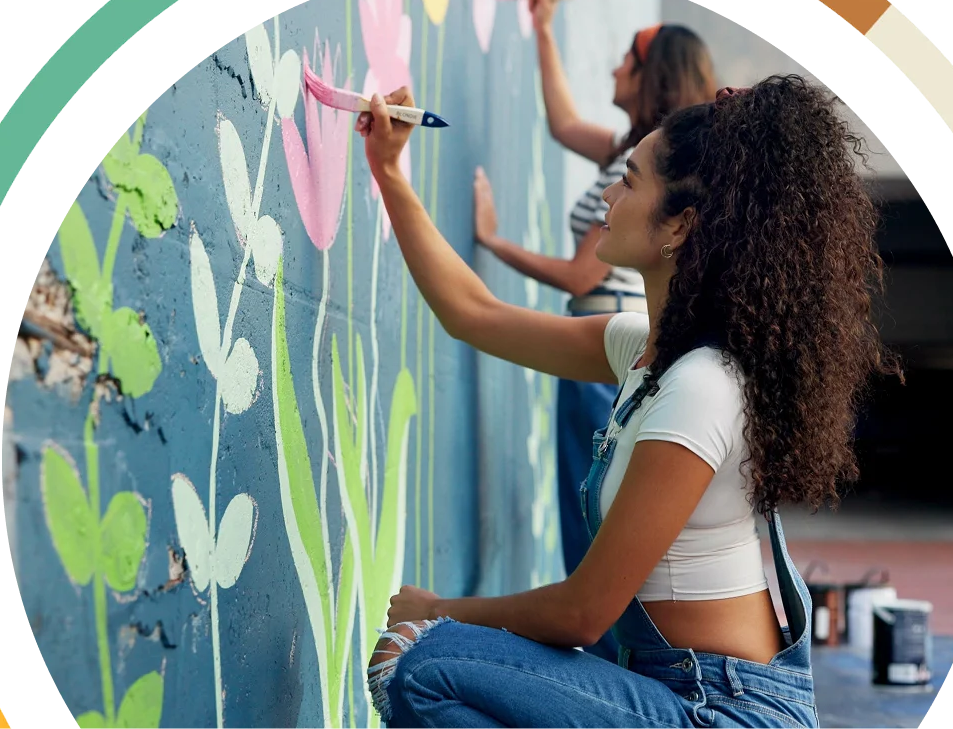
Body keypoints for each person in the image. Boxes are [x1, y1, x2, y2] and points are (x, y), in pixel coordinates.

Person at [357, 74, 901, 728]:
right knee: (427, 659)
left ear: (679, 225)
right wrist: (389, 171)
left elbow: (581, 613)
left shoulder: (701, 387)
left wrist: (438, 607)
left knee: (421, 662)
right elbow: (475, 314)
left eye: (630, 181)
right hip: (679, 690)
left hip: (719, 710)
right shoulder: (650, 352)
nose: (607, 198)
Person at [473, 0, 717, 662]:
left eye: (625, 59)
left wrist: (494, 242)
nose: (612, 67)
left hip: (604, 348)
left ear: (650, 74)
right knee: (594, 546)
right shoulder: (629, 153)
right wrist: (543, 27)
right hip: (607, 341)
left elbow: (583, 275)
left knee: (591, 553)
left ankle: (602, 678)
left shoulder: (644, 164)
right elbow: (559, 122)